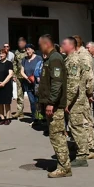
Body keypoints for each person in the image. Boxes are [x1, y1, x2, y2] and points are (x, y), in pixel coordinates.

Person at [37, 34, 72, 177]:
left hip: (55, 106)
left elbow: (57, 83)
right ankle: (63, 164)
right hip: (51, 104)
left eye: (40, 45)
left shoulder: (55, 58)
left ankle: (64, 167)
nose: (40, 48)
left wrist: (51, 102)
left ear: (46, 44)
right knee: (55, 136)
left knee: (57, 136)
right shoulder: (50, 58)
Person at [61, 37, 92, 166]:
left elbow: (73, 84)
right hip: (77, 98)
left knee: (76, 127)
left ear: (71, 46)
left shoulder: (73, 60)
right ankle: (81, 152)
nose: (62, 46)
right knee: (75, 126)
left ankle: (82, 156)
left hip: (75, 100)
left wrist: (67, 102)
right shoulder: (69, 59)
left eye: (64, 44)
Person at [21, 45, 43, 124]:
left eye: (29, 49)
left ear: (33, 50)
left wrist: (36, 77)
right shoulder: (24, 59)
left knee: (37, 101)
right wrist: (27, 78)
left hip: (37, 83)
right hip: (28, 83)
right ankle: (34, 118)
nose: (27, 51)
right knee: (32, 101)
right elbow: (22, 71)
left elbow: (41, 69)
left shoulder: (38, 58)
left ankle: (40, 117)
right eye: (26, 50)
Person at [0, 46, 14, 123]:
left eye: (3, 54)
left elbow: (10, 74)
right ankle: (2, 117)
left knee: (7, 102)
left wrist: (4, 82)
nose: (1, 55)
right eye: (0, 54)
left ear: (6, 55)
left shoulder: (9, 63)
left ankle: (8, 118)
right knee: (0, 102)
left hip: (7, 85)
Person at [12, 37, 28, 119]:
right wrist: (14, 75)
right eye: (18, 43)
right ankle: (20, 111)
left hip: (27, 77)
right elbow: (14, 63)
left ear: (25, 43)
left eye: (21, 43)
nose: (20, 45)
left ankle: (35, 113)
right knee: (19, 95)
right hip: (18, 76)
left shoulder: (28, 51)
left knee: (31, 95)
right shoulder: (17, 52)